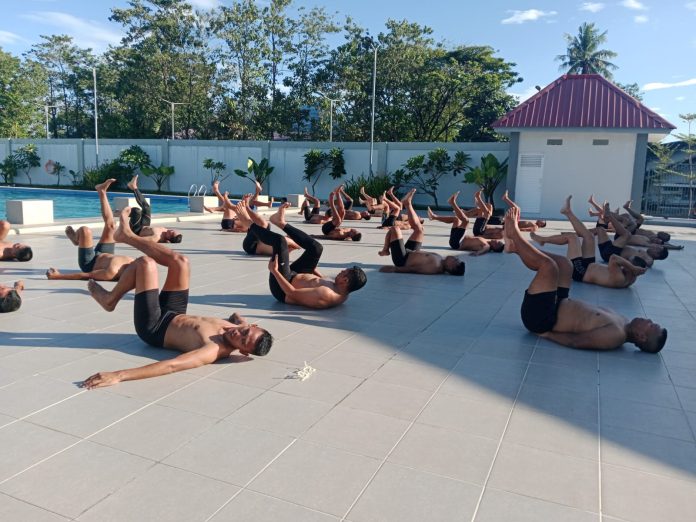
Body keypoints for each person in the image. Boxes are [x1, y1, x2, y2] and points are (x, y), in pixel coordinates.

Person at [82, 207, 273, 388]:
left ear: (244, 351)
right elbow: (238, 318)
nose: (238, 334)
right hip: (174, 313)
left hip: (154, 327)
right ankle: (126, 236)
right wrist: (239, 321)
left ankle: (110, 300)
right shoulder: (238, 327)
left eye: (242, 341)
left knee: (145, 264)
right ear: (252, 326)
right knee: (181, 262)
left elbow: (172, 365)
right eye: (246, 331)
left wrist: (119, 375)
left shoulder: (213, 350)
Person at [503, 205, 666, 352]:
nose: (649, 320)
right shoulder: (623, 321)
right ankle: (516, 248)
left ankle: (516, 236)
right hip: (560, 301)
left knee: (549, 267)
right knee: (565, 264)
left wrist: (546, 334)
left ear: (642, 337)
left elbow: (577, 341)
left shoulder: (615, 335)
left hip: (543, 318)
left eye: (651, 325)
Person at [246, 202, 367, 309]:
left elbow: (291, 293)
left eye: (344, 273)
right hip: (296, 275)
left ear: (345, 280)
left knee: (280, 241)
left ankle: (248, 224)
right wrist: (312, 266)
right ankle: (281, 223)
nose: (341, 271)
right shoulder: (344, 291)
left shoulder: (326, 295)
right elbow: (322, 280)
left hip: (282, 288)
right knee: (317, 248)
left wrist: (275, 271)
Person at [530, 195, 645, 288]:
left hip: (580, 272)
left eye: (628, 264)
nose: (625, 265)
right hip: (589, 264)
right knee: (589, 236)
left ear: (633, 270)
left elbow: (613, 258)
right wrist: (632, 268)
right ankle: (567, 212)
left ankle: (542, 240)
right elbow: (622, 264)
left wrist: (632, 267)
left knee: (572, 238)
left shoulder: (620, 278)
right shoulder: (630, 276)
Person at [47, 179, 134, 281]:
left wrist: (57, 276)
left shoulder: (111, 272)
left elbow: (87, 275)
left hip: (90, 263)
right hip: (106, 253)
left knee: (85, 230)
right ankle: (101, 191)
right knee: (111, 226)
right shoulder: (133, 262)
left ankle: (76, 239)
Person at [379, 189, 466, 275]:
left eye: (455, 260)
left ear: (451, 267)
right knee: (419, 230)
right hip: (410, 252)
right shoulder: (440, 261)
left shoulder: (434, 267)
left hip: (402, 260)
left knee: (395, 229)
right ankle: (407, 203)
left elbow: (414, 269)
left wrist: (395, 269)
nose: (455, 258)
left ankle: (385, 250)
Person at [428, 192, 503, 255]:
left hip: (457, 243)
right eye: (498, 241)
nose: (497, 241)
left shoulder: (487, 245)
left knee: (466, 221)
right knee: (456, 219)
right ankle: (434, 217)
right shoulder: (486, 241)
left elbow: (485, 248)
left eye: (497, 243)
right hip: (456, 241)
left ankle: (452, 202)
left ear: (495, 247)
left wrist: (478, 253)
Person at [127, 175, 182, 243]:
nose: (172, 231)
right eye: (174, 231)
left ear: (168, 239)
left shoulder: (157, 237)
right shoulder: (165, 231)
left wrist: (128, 237)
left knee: (136, 211)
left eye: (172, 234)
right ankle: (133, 186)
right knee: (147, 208)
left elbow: (141, 240)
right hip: (144, 225)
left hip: (136, 231)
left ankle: (118, 213)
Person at [235, 199, 300, 256]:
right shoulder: (285, 244)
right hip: (260, 239)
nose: (288, 235)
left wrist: (299, 244)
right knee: (266, 225)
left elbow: (294, 243)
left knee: (264, 224)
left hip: (251, 246)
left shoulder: (285, 246)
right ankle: (247, 208)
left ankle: (247, 214)